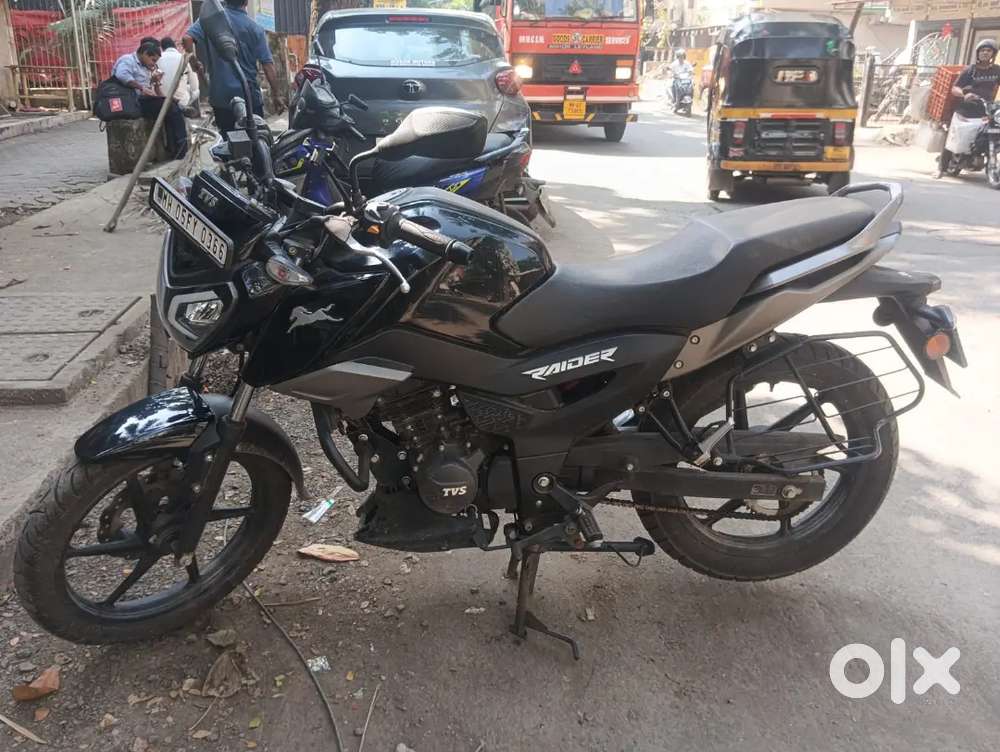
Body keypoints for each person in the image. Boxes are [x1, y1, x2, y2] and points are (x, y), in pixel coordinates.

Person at [182, 0, 285, 134]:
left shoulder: (211, 21)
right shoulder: (255, 28)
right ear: (246, 2)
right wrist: (277, 95)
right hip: (248, 96)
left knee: (229, 140)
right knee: (256, 138)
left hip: (221, 97)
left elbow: (187, 39)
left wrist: (194, 63)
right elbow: (268, 65)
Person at [111, 40, 188, 159]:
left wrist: (155, 82)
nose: (153, 64)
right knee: (170, 108)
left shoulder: (145, 67)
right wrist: (141, 87)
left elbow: (148, 88)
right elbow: (122, 75)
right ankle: (181, 149)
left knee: (171, 108)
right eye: (153, 60)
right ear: (145, 54)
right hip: (131, 102)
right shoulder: (128, 60)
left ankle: (174, 148)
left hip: (143, 100)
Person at [936, 38, 1000, 178]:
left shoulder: (997, 70)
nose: (985, 53)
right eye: (982, 50)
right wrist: (964, 95)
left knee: (994, 132)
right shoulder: (970, 70)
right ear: (978, 53)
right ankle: (941, 168)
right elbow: (955, 88)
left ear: (993, 54)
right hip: (966, 110)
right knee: (953, 139)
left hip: (985, 110)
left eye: (988, 50)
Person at [158, 36, 201, 117]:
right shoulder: (184, 57)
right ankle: (184, 108)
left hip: (160, 99)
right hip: (180, 100)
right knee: (195, 90)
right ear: (175, 46)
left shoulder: (158, 58)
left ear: (162, 48)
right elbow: (194, 85)